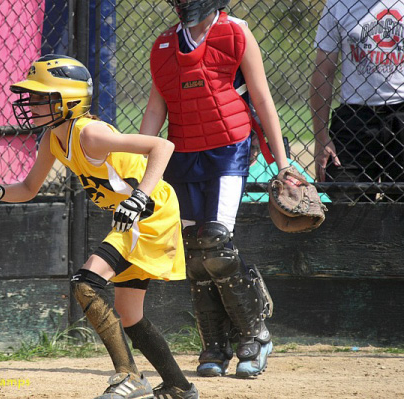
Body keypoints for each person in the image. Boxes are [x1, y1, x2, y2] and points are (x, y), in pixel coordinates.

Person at [0, 54, 198, 399]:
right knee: (130, 315)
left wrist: (138, 198)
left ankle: (129, 376)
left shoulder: (90, 134)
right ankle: (179, 386)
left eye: (40, 98)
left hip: (151, 213)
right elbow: (30, 187)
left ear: (68, 100)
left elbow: (162, 146)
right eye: (31, 97)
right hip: (135, 215)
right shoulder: (53, 138)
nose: (31, 104)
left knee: (85, 283)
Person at [139, 0, 290, 378]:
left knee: (216, 242)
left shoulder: (235, 31)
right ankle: (214, 346)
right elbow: (156, 109)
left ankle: (255, 336)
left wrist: (284, 164)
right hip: (183, 155)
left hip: (228, 148)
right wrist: (138, 166)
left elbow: (261, 97)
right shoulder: (163, 45)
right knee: (194, 253)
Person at [310, 0, 404, 201]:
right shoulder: (338, 4)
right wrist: (321, 137)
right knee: (345, 201)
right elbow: (323, 70)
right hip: (356, 117)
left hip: (401, 110)